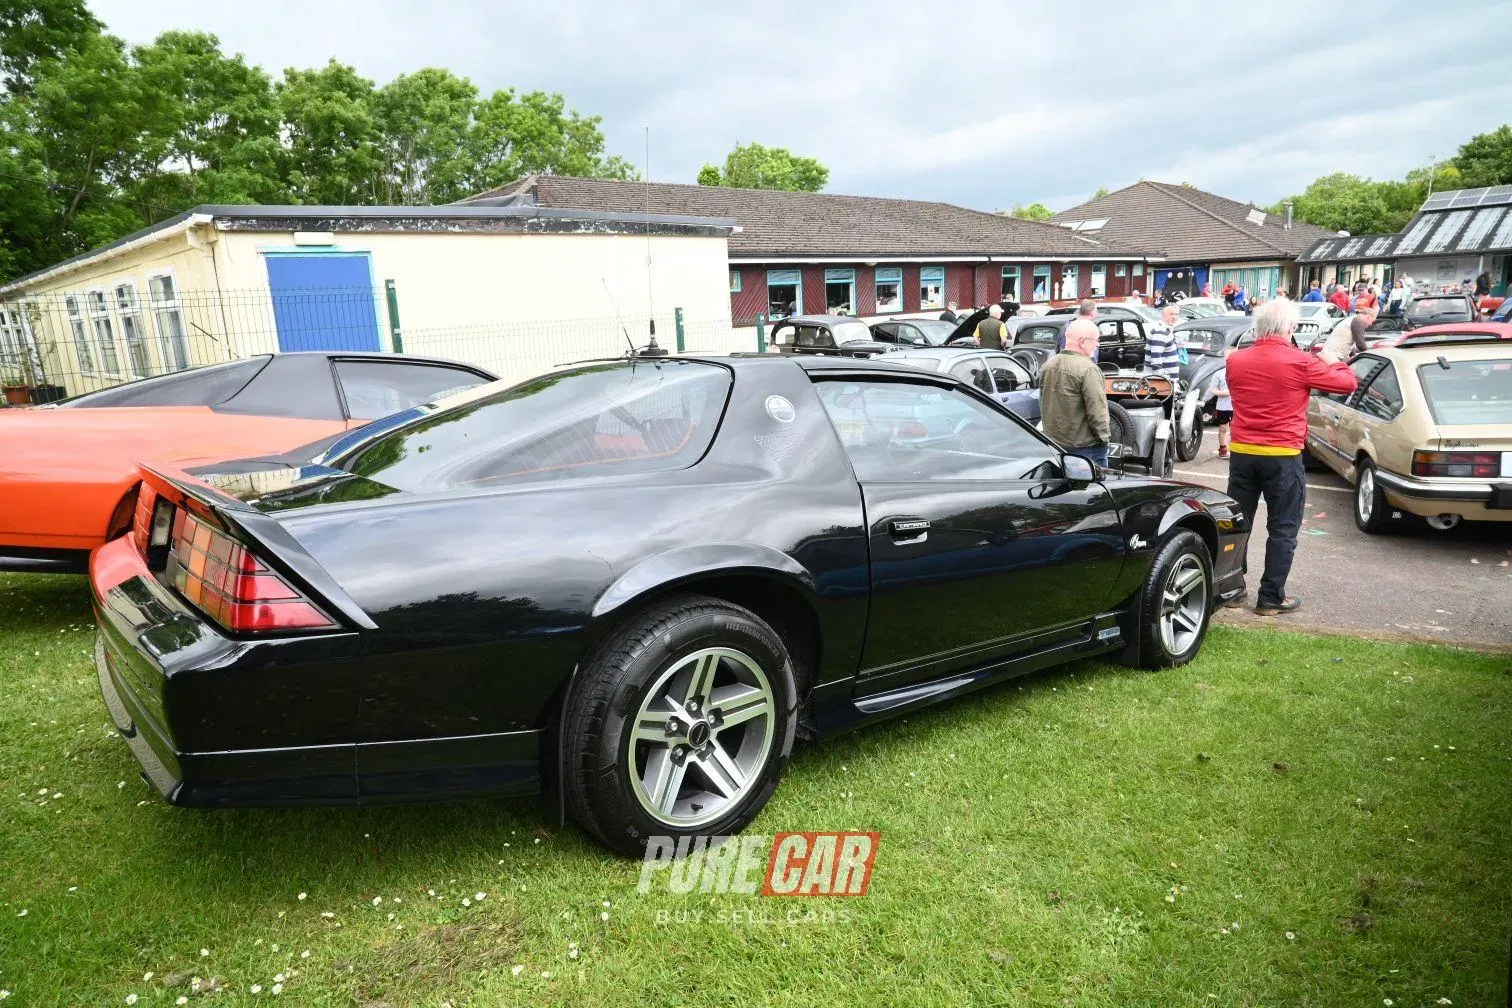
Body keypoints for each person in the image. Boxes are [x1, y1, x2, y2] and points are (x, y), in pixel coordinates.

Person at [1225, 298, 1358, 615]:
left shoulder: (1236, 361)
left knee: (1237, 523)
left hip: (1242, 452)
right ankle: (1270, 597)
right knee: (1283, 528)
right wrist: (1333, 358)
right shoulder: (1300, 361)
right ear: (1291, 328)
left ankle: (1229, 588)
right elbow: (1347, 383)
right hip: (1282, 454)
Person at [1039, 319, 1111, 469]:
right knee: (1095, 490)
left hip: (1054, 444)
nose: (1097, 344)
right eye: (1096, 340)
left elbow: (1043, 403)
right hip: (1085, 448)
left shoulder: (1048, 365)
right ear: (1083, 341)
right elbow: (1097, 412)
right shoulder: (1089, 369)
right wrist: (1104, 438)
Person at [1144, 303, 1183, 379]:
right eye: (1171, 314)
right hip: (1162, 382)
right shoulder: (1161, 331)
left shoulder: (1165, 330)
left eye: (1176, 314)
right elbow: (1155, 358)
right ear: (1163, 315)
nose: (1174, 317)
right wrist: (1162, 377)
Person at [1211, 351, 1233, 459]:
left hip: (1237, 406)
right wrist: (1224, 393)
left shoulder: (1241, 372)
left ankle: (1236, 450)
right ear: (1224, 358)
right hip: (1223, 406)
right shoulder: (1219, 374)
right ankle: (1223, 449)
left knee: (1236, 429)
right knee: (1223, 428)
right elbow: (1213, 390)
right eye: (1228, 357)